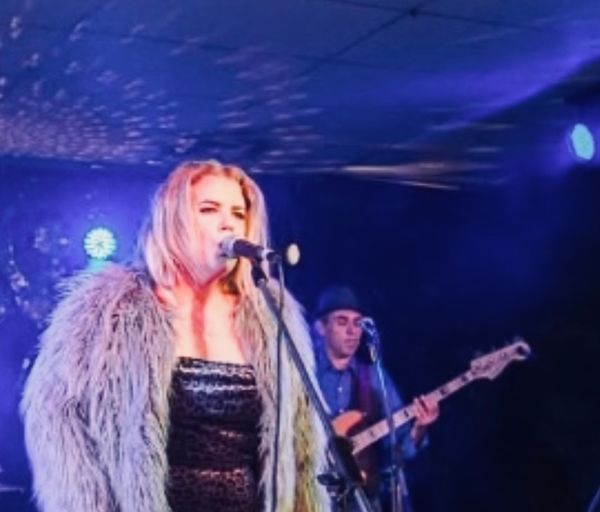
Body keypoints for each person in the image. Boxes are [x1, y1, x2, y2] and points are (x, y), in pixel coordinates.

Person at [21, 160, 331, 512]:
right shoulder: (109, 310)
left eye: (238, 213)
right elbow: (56, 421)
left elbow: (301, 440)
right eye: (209, 209)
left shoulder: (271, 316)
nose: (228, 223)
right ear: (174, 220)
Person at [312, 285, 439, 511]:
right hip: (311, 495)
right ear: (321, 328)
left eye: (357, 323)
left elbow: (396, 454)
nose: (352, 331)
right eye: (342, 322)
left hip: (362, 500)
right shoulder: (305, 373)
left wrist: (420, 427)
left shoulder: (374, 377)